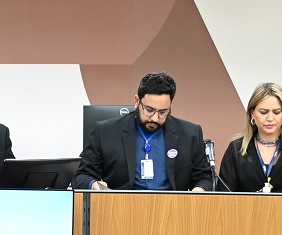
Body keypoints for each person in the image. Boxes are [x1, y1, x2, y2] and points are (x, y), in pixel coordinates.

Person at [72, 71, 211, 191]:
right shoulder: (105, 132)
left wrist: (198, 191)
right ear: (137, 101)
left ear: (170, 106)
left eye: (163, 112)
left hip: (173, 212)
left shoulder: (190, 134)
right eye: (149, 110)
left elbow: (205, 178)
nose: (155, 118)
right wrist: (94, 185)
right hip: (120, 212)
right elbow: (82, 176)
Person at [217, 82, 282, 194]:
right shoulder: (236, 148)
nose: (270, 118)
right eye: (264, 112)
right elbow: (224, 195)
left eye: (277, 112)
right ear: (252, 113)